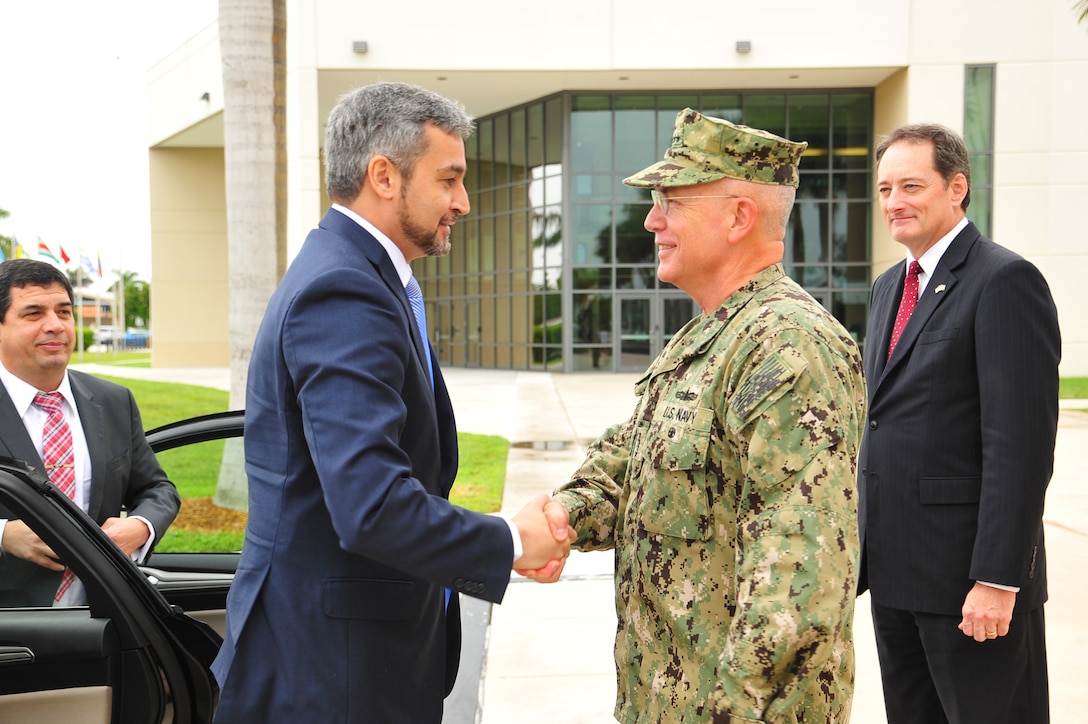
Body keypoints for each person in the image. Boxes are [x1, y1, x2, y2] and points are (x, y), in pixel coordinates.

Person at [210, 81, 572, 723]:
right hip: (333, 676)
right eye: (449, 178)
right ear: (383, 175)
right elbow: (370, 505)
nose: (462, 201)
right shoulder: (345, 291)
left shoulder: (358, 273)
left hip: (348, 659)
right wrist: (510, 540)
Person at [528, 109, 868, 722]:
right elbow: (631, 463)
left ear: (738, 216)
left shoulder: (789, 346)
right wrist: (559, 521)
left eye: (671, 201)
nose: (652, 220)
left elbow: (797, 584)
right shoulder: (707, 337)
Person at [858, 123, 1059, 723]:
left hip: (970, 586)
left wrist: (998, 579)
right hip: (895, 577)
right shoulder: (889, 287)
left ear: (957, 188)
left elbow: (1018, 447)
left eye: (912, 185)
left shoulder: (1004, 280)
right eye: (886, 187)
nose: (895, 201)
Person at [0, 258, 180, 607]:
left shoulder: (114, 401)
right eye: (34, 313)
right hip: (10, 629)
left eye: (64, 312)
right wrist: (4, 535)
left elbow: (157, 488)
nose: (55, 325)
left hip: (106, 616)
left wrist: (140, 526)